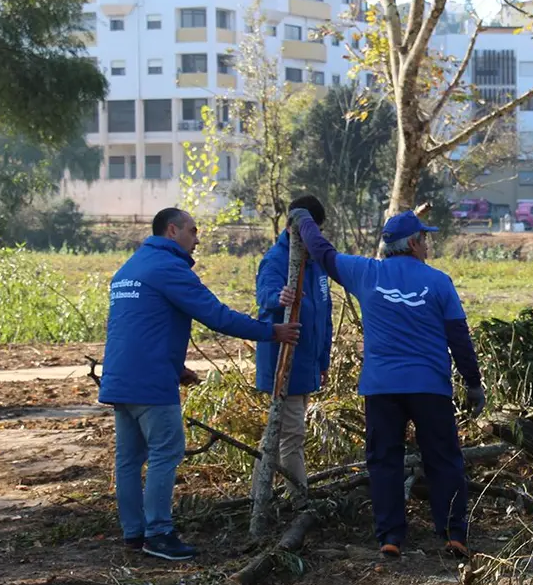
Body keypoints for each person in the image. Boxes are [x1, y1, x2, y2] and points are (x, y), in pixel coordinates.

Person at [99, 208, 301, 561]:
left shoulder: (128, 269)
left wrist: (177, 368)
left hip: (121, 378)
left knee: (129, 460)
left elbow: (139, 327)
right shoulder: (168, 268)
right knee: (166, 451)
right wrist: (271, 332)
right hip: (150, 384)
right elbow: (216, 315)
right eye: (193, 230)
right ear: (172, 230)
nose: (198, 237)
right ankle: (159, 533)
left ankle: (134, 533)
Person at [288, 206, 486, 559]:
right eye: (423, 239)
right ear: (412, 243)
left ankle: (391, 537)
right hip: (430, 387)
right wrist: (473, 383)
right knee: (443, 459)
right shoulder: (438, 281)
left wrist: (303, 221)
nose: (427, 245)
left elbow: (323, 252)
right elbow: (458, 336)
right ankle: (454, 533)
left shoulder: (366, 273)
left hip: (382, 387)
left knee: (384, 461)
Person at [254, 196, 334, 504]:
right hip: (283, 363)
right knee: (291, 436)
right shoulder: (275, 261)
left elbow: (324, 317)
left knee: (276, 435)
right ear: (292, 227)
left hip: (307, 363)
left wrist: (322, 361)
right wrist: (279, 297)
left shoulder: (317, 267)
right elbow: (265, 295)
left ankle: (258, 494)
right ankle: (299, 500)